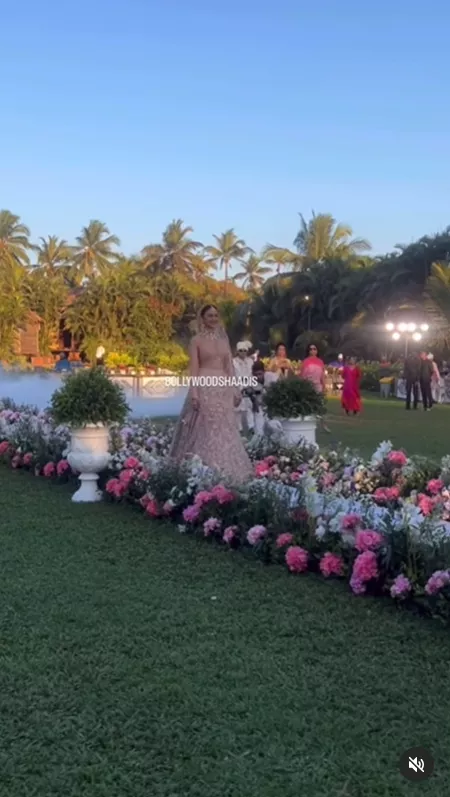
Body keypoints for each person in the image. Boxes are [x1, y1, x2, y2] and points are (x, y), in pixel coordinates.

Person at [168, 304, 252, 483]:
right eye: (210, 316)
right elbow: (194, 368)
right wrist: (195, 393)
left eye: (215, 315)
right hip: (204, 386)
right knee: (205, 426)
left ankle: (227, 469)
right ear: (203, 318)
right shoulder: (196, 341)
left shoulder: (223, 340)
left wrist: (235, 389)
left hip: (223, 388)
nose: (213, 319)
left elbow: (229, 367)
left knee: (225, 426)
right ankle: (200, 468)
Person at [299, 344, 330, 432]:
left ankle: (324, 425)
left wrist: (324, 386)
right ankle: (305, 424)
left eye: (314, 349)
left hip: (318, 386)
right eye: (311, 349)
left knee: (321, 406)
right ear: (308, 351)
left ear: (317, 351)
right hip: (308, 386)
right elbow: (302, 376)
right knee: (307, 405)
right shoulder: (305, 361)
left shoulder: (320, 362)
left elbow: (322, 376)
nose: (313, 351)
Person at [233, 341, 254, 432]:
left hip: (249, 386)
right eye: (241, 350)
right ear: (237, 351)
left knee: (249, 407)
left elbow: (252, 374)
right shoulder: (233, 362)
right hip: (238, 386)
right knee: (238, 409)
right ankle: (239, 428)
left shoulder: (250, 361)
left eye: (244, 350)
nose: (243, 352)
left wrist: (251, 386)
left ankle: (251, 427)